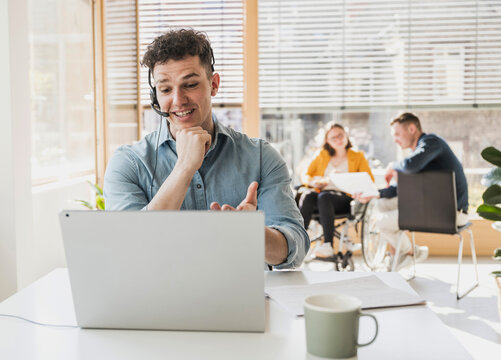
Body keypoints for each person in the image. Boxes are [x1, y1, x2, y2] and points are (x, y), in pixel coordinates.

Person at [103, 29, 309, 269]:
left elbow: (295, 248)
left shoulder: (261, 157)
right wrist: (184, 168)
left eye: (190, 85)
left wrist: (252, 234)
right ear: (155, 96)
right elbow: (131, 249)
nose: (178, 100)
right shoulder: (128, 163)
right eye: (166, 89)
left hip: (243, 300)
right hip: (158, 301)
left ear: (214, 84)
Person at [355, 112, 469, 271]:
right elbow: (401, 187)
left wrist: (392, 165)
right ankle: (399, 253)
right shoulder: (423, 154)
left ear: (411, 128)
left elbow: (409, 166)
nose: (395, 139)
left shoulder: (431, 143)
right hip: (434, 208)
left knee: (381, 222)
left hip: (451, 213)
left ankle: (410, 252)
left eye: (397, 134)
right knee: (382, 203)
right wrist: (375, 194)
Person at [299, 123, 374, 259]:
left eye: (340, 135)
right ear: (327, 141)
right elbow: (306, 174)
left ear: (346, 135)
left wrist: (346, 178)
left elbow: (368, 180)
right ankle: (297, 241)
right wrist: (313, 181)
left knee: (325, 197)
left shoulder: (357, 156)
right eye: (333, 138)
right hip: (322, 195)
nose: (338, 139)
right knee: (308, 195)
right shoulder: (322, 155)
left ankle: (328, 245)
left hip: (345, 198)